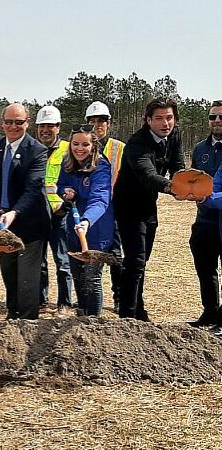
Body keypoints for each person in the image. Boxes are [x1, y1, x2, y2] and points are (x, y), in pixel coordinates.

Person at [113, 99, 186, 321]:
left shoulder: (174, 137)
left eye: (169, 118)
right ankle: (127, 317)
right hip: (128, 206)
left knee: (141, 262)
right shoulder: (137, 143)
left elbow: (178, 167)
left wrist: (187, 182)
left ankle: (139, 311)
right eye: (159, 118)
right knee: (135, 261)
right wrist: (173, 188)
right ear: (148, 120)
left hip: (148, 206)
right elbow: (147, 175)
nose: (166, 123)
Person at [0, 103, 50, 320]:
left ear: (27, 123)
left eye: (19, 122)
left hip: (29, 224)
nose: (13, 126)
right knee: (9, 273)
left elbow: (33, 189)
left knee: (27, 279)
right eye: (9, 122)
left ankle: (28, 321)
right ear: (2, 123)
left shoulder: (37, 151)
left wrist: (15, 212)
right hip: (3, 223)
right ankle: (12, 315)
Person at [57, 125, 114, 317]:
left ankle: (94, 322)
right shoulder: (68, 163)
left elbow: (100, 198)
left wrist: (87, 221)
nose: (79, 148)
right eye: (75, 144)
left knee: (92, 278)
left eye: (85, 144)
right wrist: (65, 192)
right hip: (74, 227)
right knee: (78, 275)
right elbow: (61, 184)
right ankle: (82, 316)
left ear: (94, 146)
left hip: (96, 228)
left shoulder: (102, 167)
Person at [85, 101, 125, 314]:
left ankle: (119, 296)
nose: (96, 124)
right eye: (92, 121)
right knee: (90, 254)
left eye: (101, 120)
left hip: (114, 208)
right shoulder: (82, 145)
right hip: (91, 209)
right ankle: (87, 300)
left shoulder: (119, 148)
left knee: (115, 253)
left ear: (109, 124)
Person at [36, 105, 73, 314]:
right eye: (42, 126)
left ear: (58, 127)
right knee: (39, 261)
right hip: (38, 213)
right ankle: (41, 300)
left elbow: (74, 181)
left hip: (60, 215)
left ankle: (64, 302)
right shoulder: (33, 148)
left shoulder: (68, 150)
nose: (45, 130)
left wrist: (66, 206)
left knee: (62, 260)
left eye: (50, 126)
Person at [188, 101, 222, 327]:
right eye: (212, 117)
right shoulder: (200, 149)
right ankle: (210, 311)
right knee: (205, 267)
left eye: (221, 116)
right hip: (205, 219)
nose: (217, 121)